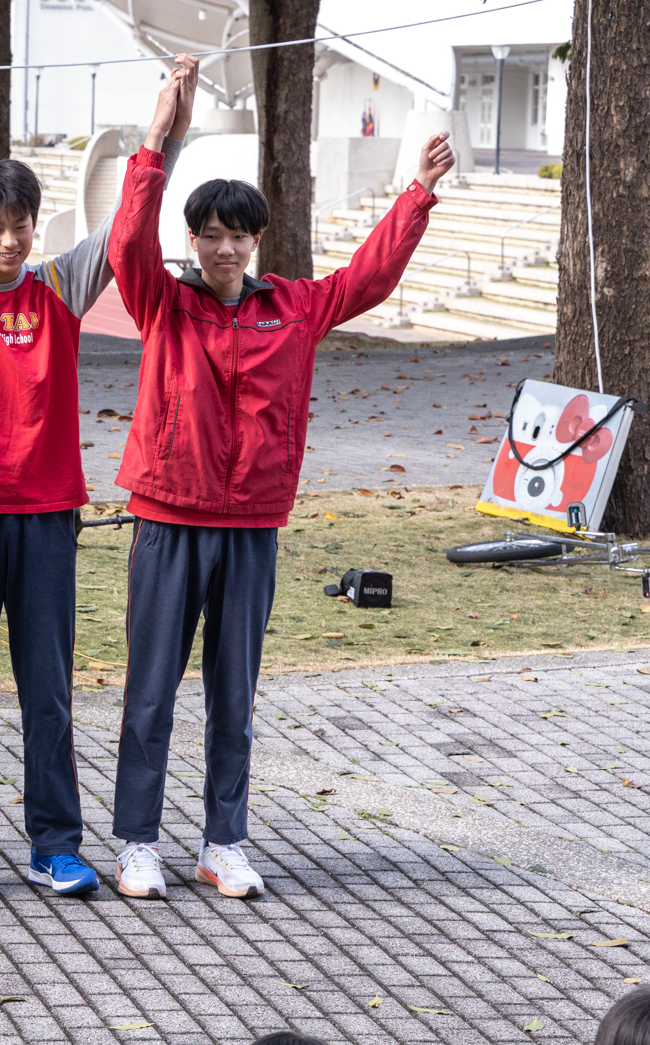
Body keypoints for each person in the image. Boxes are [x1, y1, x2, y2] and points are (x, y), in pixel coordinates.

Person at [108, 55, 454, 900]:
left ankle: (223, 842)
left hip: (252, 525)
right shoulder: (162, 301)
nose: (225, 248)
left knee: (235, 696)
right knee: (150, 694)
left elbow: (367, 278)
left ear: (256, 240)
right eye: (210, 234)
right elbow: (125, 243)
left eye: (239, 235)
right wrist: (156, 137)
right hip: (170, 518)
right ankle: (136, 842)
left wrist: (416, 193)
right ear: (193, 240)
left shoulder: (294, 307)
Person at [0, 47, 184, 902]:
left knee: (47, 690)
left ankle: (55, 844)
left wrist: (161, 132)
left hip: (48, 516)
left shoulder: (61, 285)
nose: (10, 240)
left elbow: (127, 228)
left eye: (20, 224)